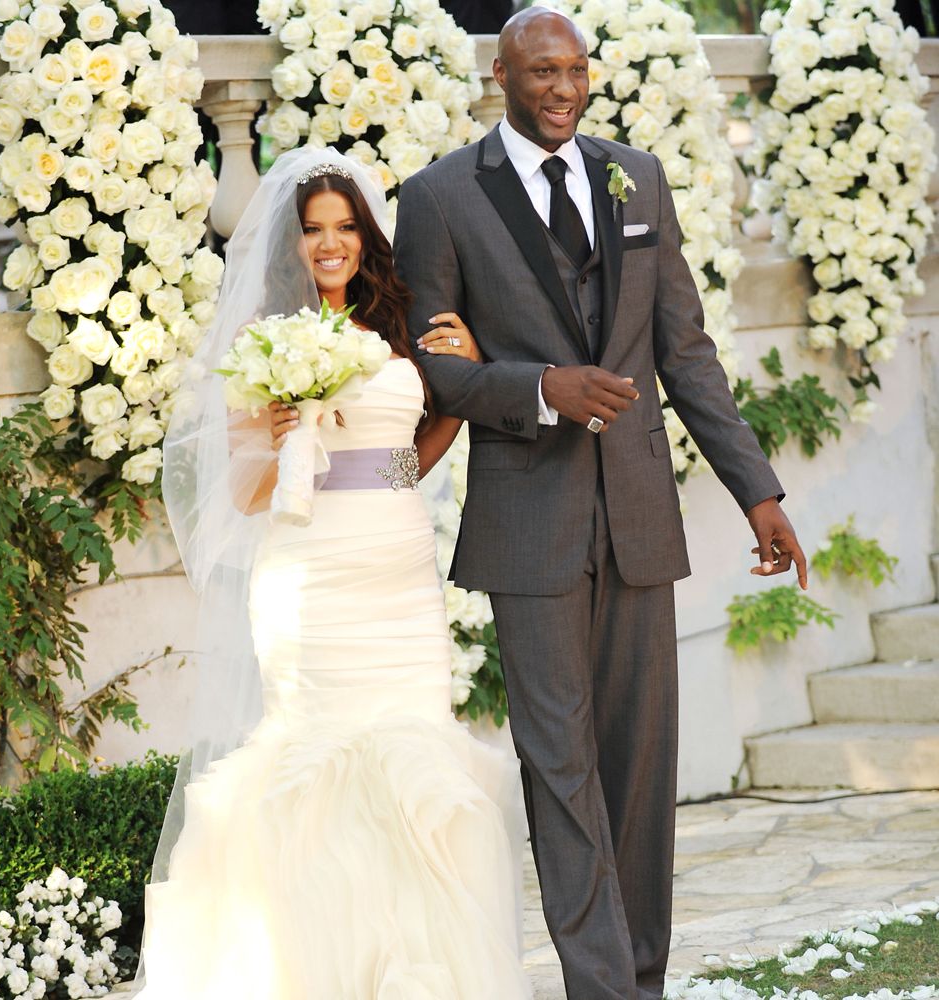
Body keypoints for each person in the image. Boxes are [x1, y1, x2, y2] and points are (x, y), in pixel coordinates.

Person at [393, 8, 808, 1000]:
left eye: (575, 69)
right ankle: (602, 988)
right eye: (541, 71)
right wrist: (539, 389)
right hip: (527, 522)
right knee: (560, 764)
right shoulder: (441, 197)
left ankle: (643, 979)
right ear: (499, 74)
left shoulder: (638, 176)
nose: (562, 89)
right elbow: (432, 372)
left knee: (637, 766)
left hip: (637, 516)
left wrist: (757, 492)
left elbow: (685, 350)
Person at [136, 148, 532, 998]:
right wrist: (283, 440)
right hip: (310, 581)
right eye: (315, 230)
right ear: (294, 243)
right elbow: (239, 493)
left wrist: (461, 363)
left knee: (418, 751)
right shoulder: (260, 343)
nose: (330, 244)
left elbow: (410, 454)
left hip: (398, 572)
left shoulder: (400, 324)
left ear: (366, 237)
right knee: (316, 763)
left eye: (345, 227)